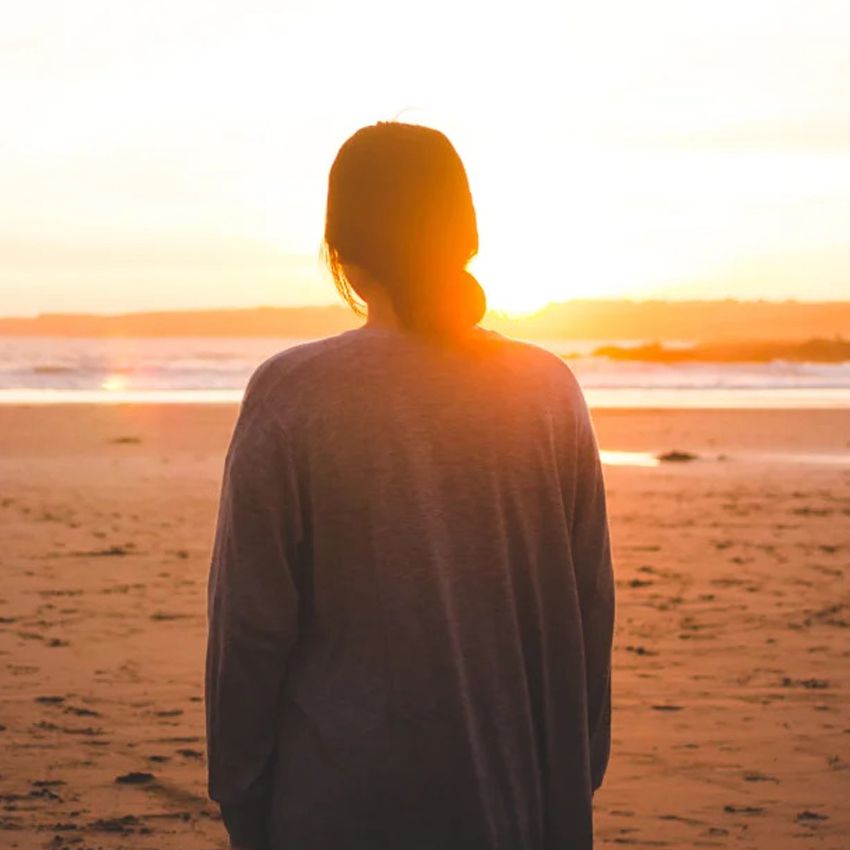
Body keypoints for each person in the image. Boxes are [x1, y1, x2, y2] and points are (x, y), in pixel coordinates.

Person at [205, 121, 615, 850]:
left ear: (343, 252)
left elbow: (250, 631)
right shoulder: (548, 391)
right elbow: (590, 616)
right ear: (462, 237)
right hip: (519, 806)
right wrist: (566, 781)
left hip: (340, 811)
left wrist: (242, 799)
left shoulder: (292, 394)